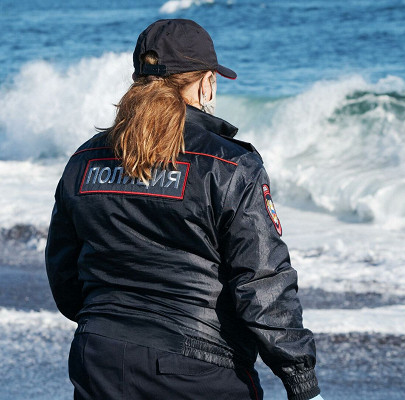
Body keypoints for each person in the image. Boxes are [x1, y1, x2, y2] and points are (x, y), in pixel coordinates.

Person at [45, 19, 323, 400]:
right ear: (206, 82)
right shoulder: (228, 163)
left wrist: (113, 327)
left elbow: (64, 272)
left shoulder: (85, 158)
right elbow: (261, 280)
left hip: (100, 358)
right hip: (200, 369)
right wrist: (301, 380)